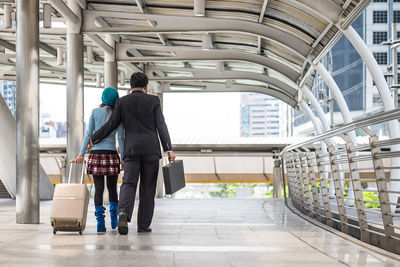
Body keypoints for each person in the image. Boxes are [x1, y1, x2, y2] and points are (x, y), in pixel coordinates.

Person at [90, 72, 176, 235]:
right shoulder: (153, 100)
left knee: (129, 183)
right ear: (146, 86)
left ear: (130, 85)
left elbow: (111, 124)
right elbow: (161, 125)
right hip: (151, 150)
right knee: (148, 188)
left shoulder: (122, 102)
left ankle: (123, 212)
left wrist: (95, 138)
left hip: (131, 150)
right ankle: (143, 225)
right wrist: (168, 149)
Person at [75, 87, 124, 233]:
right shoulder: (118, 114)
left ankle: (100, 222)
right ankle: (114, 219)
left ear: (103, 99)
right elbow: (121, 138)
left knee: (99, 189)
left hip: (96, 155)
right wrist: (124, 158)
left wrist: (81, 153)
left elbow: (88, 134)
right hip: (111, 154)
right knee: (112, 188)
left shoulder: (95, 112)